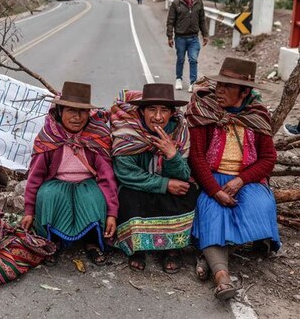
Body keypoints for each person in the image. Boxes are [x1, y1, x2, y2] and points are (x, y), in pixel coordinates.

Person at [185, 58, 281, 300]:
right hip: (210, 177)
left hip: (245, 179)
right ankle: (222, 278)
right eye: (219, 85)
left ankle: (207, 254)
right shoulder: (203, 111)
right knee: (211, 211)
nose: (219, 90)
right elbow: (196, 158)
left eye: (228, 87)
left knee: (259, 207)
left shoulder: (257, 115)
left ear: (245, 91)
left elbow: (268, 159)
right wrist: (215, 190)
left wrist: (241, 180)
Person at [22, 82, 118, 266]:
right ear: (60, 111)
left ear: (88, 113)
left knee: (94, 198)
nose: (77, 117)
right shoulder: (48, 137)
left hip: (87, 182)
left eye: (82, 111)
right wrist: (29, 211)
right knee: (48, 195)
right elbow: (35, 176)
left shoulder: (96, 136)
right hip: (56, 182)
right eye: (71, 111)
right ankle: (51, 242)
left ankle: (91, 242)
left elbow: (107, 177)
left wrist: (112, 213)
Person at [111, 84, 199, 273]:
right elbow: (125, 172)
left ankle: (172, 249)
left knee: (188, 191)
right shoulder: (128, 132)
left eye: (164, 110)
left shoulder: (180, 131)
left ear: (172, 113)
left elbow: (184, 175)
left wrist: (172, 155)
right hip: (139, 186)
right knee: (127, 196)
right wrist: (164, 184)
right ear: (142, 111)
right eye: (152, 109)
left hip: (169, 184)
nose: (158, 117)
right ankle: (138, 248)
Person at [166, 0, 208, 93]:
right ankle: (178, 79)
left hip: (194, 37)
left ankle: (192, 82)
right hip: (180, 38)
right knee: (180, 59)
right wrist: (170, 36)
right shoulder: (176, 4)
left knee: (193, 60)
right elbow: (170, 21)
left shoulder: (199, 3)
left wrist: (205, 35)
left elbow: (202, 20)